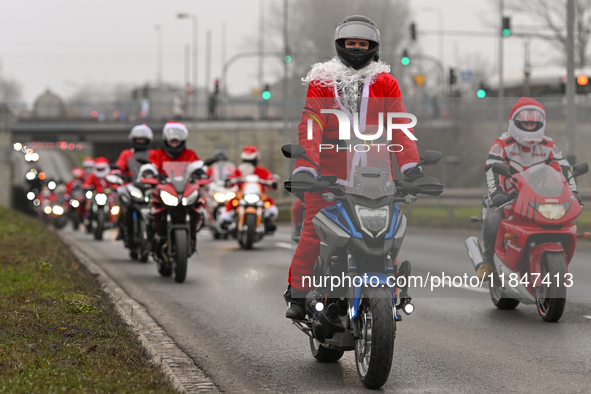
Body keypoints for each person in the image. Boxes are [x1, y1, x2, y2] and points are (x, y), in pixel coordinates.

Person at [284, 15, 423, 319]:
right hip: (327, 178)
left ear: (373, 48)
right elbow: (312, 124)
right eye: (351, 43)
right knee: (311, 233)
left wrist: (411, 166)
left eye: (363, 44)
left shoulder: (386, 82)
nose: (357, 48)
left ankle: (392, 294)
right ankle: (297, 293)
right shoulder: (322, 81)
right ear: (340, 45)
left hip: (375, 178)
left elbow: (400, 126)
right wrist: (306, 167)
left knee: (386, 238)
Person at [476, 97, 580, 279]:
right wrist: (497, 194)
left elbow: (563, 169)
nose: (530, 128)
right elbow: (492, 169)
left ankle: (551, 262)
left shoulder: (548, 145)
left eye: (534, 125)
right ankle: (488, 261)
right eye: (525, 124)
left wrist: (573, 193)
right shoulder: (502, 144)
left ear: (542, 124)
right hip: (508, 199)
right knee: (493, 219)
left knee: (560, 222)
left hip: (538, 199)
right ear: (515, 123)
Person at [220, 146, 279, 232]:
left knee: (269, 203)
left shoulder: (262, 171)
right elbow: (231, 178)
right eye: (246, 161)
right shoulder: (239, 171)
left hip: (259, 196)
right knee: (232, 202)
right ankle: (228, 220)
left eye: (251, 162)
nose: (248, 164)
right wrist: (228, 180)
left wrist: (273, 182)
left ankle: (267, 220)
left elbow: (270, 179)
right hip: (241, 196)